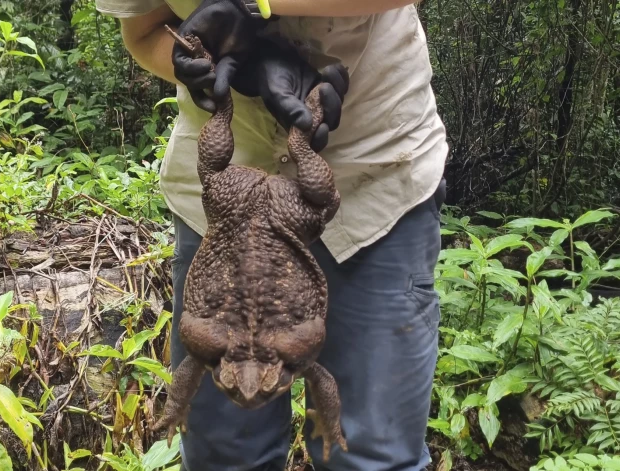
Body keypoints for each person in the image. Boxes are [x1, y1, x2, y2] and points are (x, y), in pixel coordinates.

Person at [95, 1, 449, 470]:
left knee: (371, 457)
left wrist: (251, 5)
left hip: (373, 175)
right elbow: (144, 33)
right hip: (223, 200)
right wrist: (215, 69)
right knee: (223, 457)